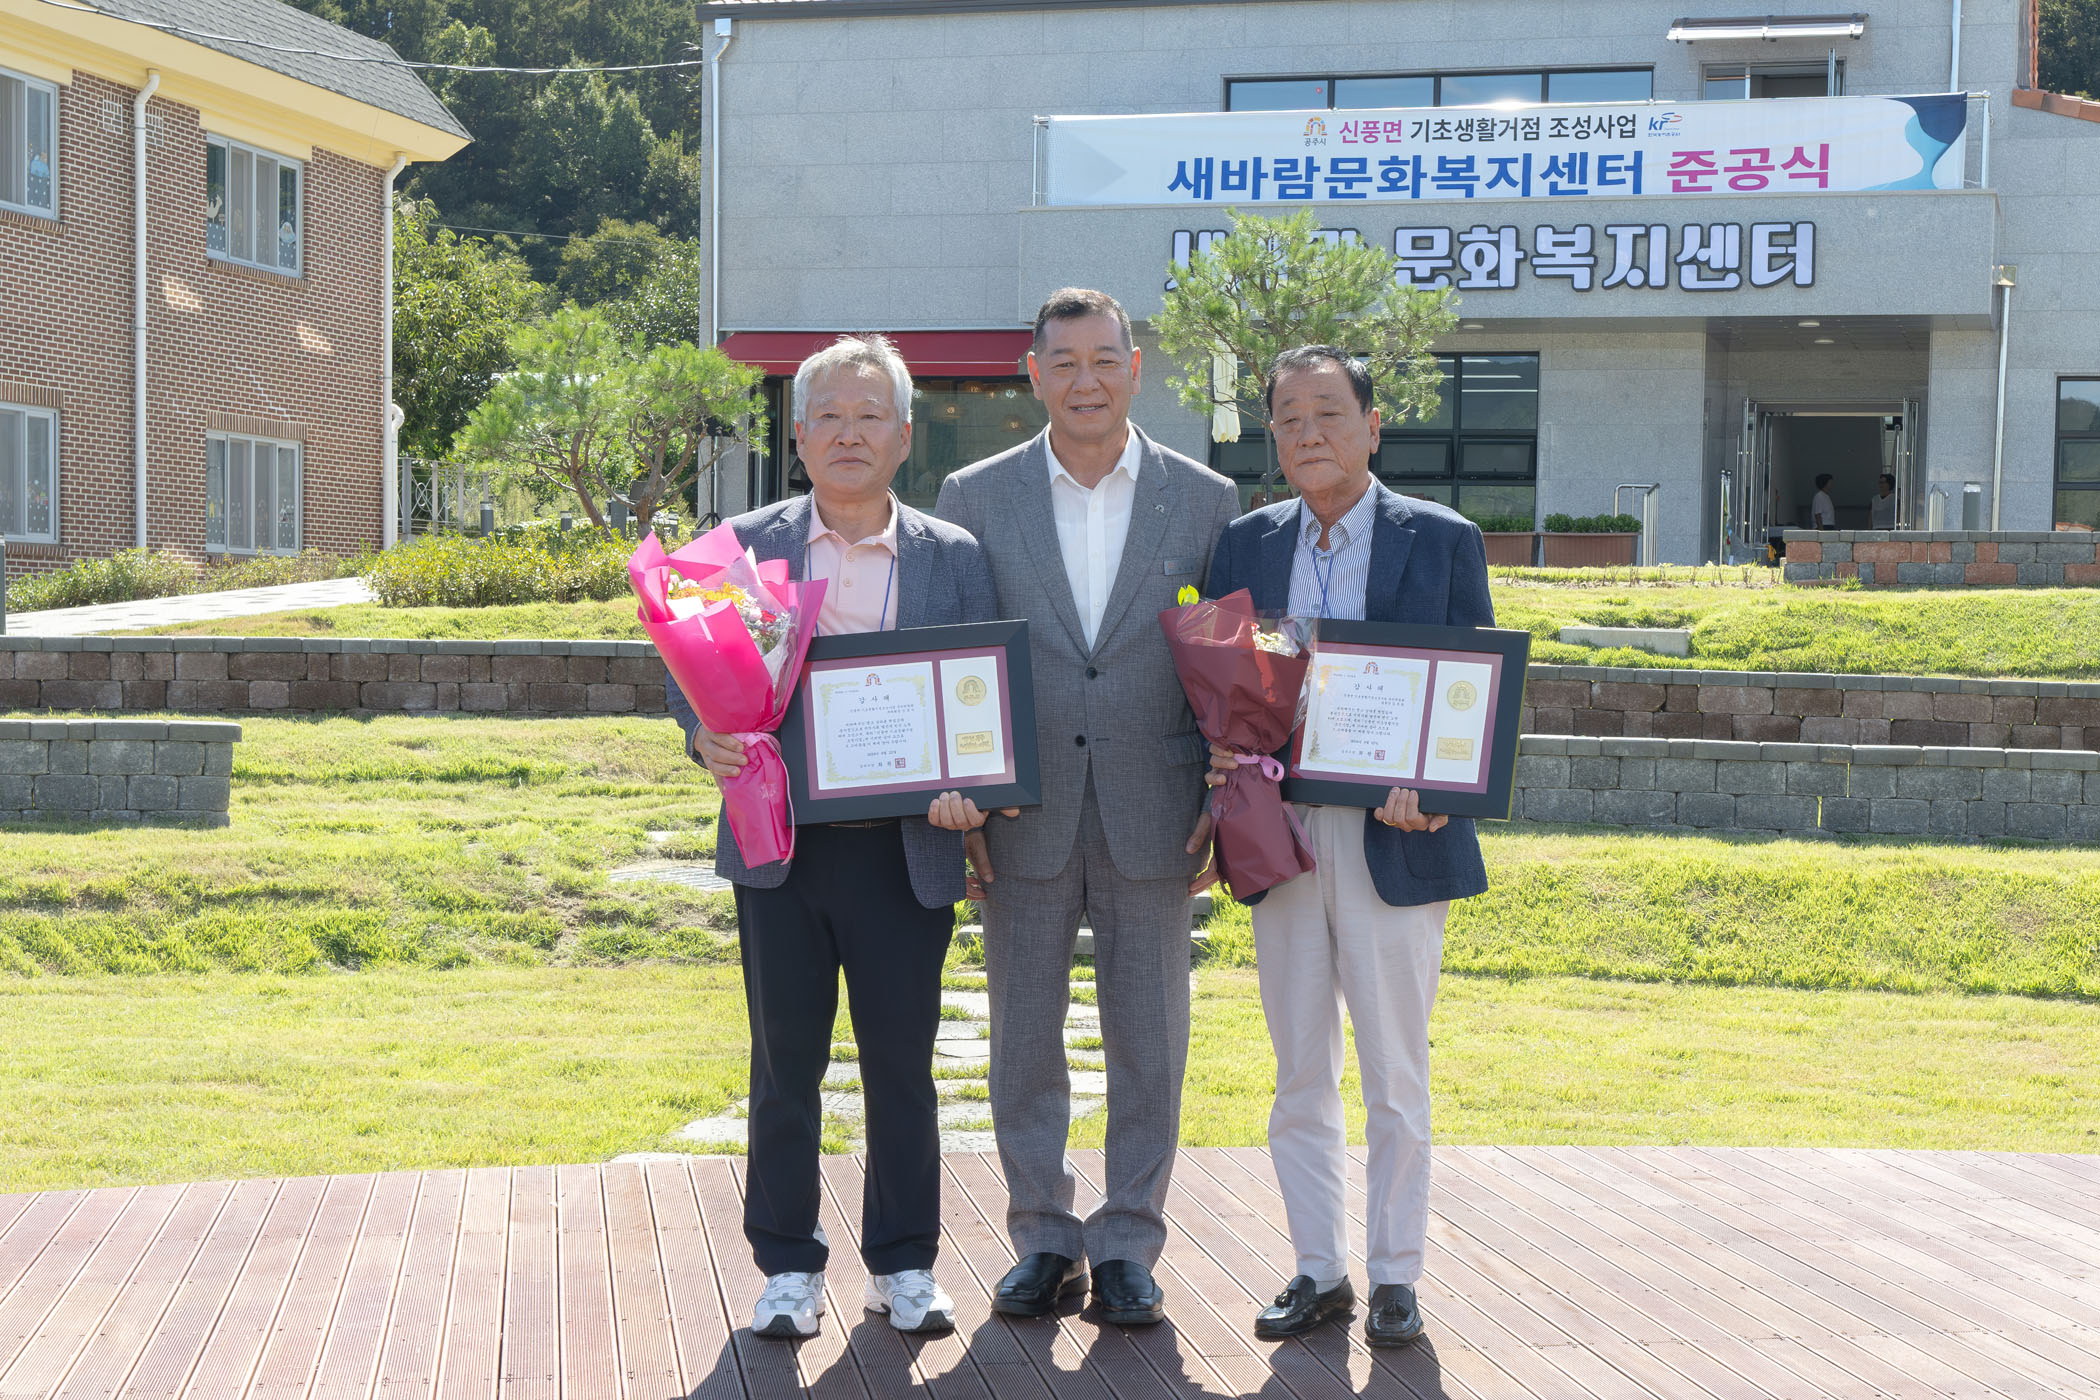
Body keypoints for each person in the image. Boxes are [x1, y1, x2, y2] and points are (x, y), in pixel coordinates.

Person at [667, 335, 997, 1340]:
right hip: (781, 849)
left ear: (904, 435)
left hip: (907, 848)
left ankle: (903, 1262)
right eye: (830, 417)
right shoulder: (739, 548)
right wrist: (703, 736)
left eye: (870, 416)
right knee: (784, 1063)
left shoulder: (953, 556)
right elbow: (686, 674)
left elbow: (982, 691)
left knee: (901, 1064)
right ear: (799, 434)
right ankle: (787, 1264)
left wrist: (975, 788)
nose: (850, 434)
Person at [933, 288, 1238, 1326]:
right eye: (1063, 362)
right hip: (1022, 812)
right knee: (1023, 1036)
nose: (1086, 381)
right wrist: (968, 791)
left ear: (1136, 369)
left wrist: (1223, 792)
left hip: (1159, 806)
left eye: (1105, 360)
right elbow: (958, 655)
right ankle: (1043, 1236)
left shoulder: (1205, 499)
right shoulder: (976, 496)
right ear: (1033, 374)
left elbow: (1227, 666)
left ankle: (1129, 1242)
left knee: (1150, 1040)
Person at [1204, 346, 1494, 1350]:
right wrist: (1219, 753)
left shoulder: (1441, 539)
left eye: (1329, 412)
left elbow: (1471, 694)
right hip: (1278, 831)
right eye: (1288, 418)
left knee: (1395, 1072)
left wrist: (1439, 792)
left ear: (1373, 426)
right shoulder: (1243, 546)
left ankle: (1396, 1273)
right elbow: (1220, 691)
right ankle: (1320, 1268)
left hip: (1393, 839)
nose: (1308, 433)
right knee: (1298, 1069)